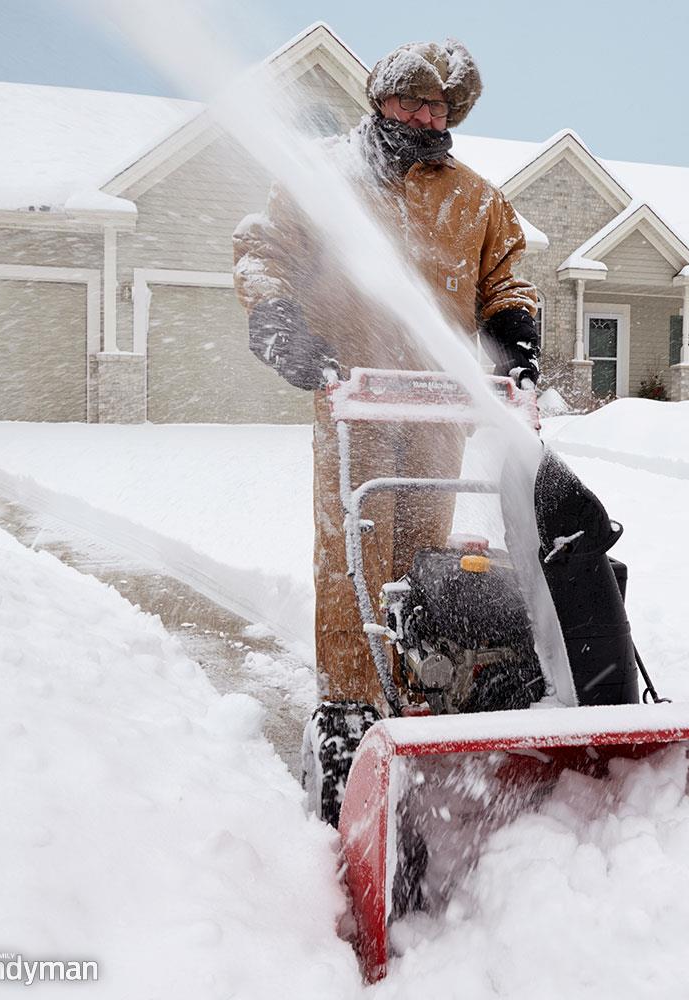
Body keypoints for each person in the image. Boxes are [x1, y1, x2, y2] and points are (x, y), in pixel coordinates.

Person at [233, 39, 540, 734]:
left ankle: (421, 689)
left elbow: (506, 280)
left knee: (426, 559)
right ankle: (348, 703)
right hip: (355, 402)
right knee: (354, 558)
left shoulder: (477, 199)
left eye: (440, 106)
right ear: (380, 99)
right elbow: (264, 250)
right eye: (413, 102)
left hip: (437, 411)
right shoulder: (323, 178)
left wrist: (514, 335)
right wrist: (278, 319)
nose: (427, 118)